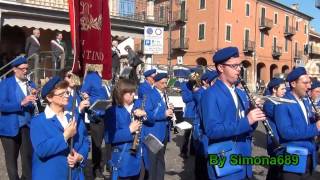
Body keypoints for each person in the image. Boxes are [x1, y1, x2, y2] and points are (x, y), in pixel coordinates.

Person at [201, 47, 265, 179]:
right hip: (225, 160)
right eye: (234, 66)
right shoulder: (210, 94)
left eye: (239, 65)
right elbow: (213, 130)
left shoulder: (240, 93)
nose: (239, 69)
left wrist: (252, 115)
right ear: (220, 68)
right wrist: (247, 120)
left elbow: (247, 127)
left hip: (244, 160)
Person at [30, 76, 89, 180]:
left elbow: (85, 141)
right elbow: (41, 150)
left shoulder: (74, 116)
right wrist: (65, 136)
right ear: (49, 97)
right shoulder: (38, 121)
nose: (66, 96)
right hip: (50, 175)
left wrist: (80, 157)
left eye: (67, 92)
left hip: (74, 175)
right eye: (61, 94)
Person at [274, 67, 320, 180]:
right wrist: (316, 127)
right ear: (293, 84)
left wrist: (315, 119)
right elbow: (286, 132)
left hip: (309, 157)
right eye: (305, 83)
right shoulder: (282, 103)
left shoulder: (304, 101)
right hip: (294, 158)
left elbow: (303, 122)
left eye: (309, 83)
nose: (309, 86)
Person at [0, 56, 36, 180]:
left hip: (27, 126)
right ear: (14, 69)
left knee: (27, 158)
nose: (25, 71)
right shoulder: (5, 83)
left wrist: (36, 101)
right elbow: (2, 106)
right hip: (9, 128)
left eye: (27, 68)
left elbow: (34, 106)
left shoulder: (31, 84)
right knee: (11, 160)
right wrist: (20, 103)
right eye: (22, 69)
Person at [104, 79, 146, 180]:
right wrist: (129, 130)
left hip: (140, 159)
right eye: (130, 92)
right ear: (121, 93)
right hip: (124, 160)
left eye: (133, 91)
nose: (133, 94)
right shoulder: (112, 111)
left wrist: (145, 114)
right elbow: (109, 137)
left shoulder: (137, 107)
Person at [143, 73, 174, 180]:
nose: (165, 85)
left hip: (164, 132)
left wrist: (170, 109)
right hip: (154, 133)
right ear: (155, 83)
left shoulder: (164, 94)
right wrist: (164, 114)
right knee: (152, 163)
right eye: (162, 83)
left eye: (166, 83)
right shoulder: (149, 95)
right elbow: (147, 114)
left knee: (161, 161)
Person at [81, 65, 108, 178]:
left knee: (108, 143)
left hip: (108, 114)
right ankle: (96, 169)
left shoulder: (107, 77)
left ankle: (108, 165)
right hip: (97, 115)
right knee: (97, 144)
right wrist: (92, 100)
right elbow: (83, 94)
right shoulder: (91, 77)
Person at [190, 70, 218, 180]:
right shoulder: (200, 93)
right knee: (201, 162)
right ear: (208, 82)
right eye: (215, 81)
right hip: (201, 131)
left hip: (207, 131)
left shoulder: (206, 92)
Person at [263, 77, 286, 180]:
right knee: (275, 171)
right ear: (274, 89)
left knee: (278, 171)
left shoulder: (280, 101)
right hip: (275, 142)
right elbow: (281, 118)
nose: (285, 91)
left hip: (281, 141)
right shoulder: (269, 103)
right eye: (282, 89)